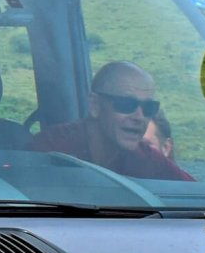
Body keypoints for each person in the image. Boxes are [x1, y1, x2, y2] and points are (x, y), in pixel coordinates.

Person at [30, 61, 194, 180]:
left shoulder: (145, 158)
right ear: (95, 105)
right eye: (126, 104)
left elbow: (193, 193)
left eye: (148, 108)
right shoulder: (51, 149)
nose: (139, 117)